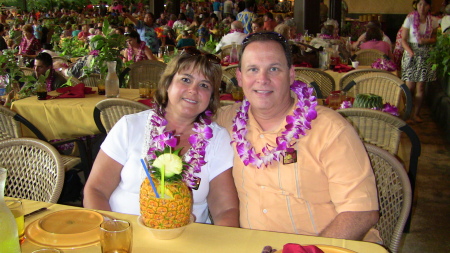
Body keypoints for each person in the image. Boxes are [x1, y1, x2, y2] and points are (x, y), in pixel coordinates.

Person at [216, 32, 380, 241]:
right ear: (240, 77)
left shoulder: (330, 129)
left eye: (274, 69)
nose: (262, 79)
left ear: (291, 74)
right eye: (253, 69)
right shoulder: (226, 121)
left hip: (329, 246)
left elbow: (361, 212)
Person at [84, 48, 239, 227]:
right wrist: (113, 231)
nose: (193, 90)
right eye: (186, 79)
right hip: (123, 233)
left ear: (211, 97)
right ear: (167, 84)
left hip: (188, 241)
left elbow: (225, 209)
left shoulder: (217, 139)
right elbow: (96, 190)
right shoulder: (130, 126)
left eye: (204, 85)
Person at [401, 0, 439, 123]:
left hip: (425, 55)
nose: (422, 7)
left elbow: (435, 39)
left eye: (425, 4)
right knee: (410, 87)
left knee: (421, 87)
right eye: (419, 4)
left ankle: (416, 114)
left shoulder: (433, 20)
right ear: (416, 5)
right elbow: (403, 40)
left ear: (429, 6)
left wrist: (426, 41)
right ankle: (407, 112)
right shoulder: (410, 19)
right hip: (411, 53)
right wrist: (411, 52)